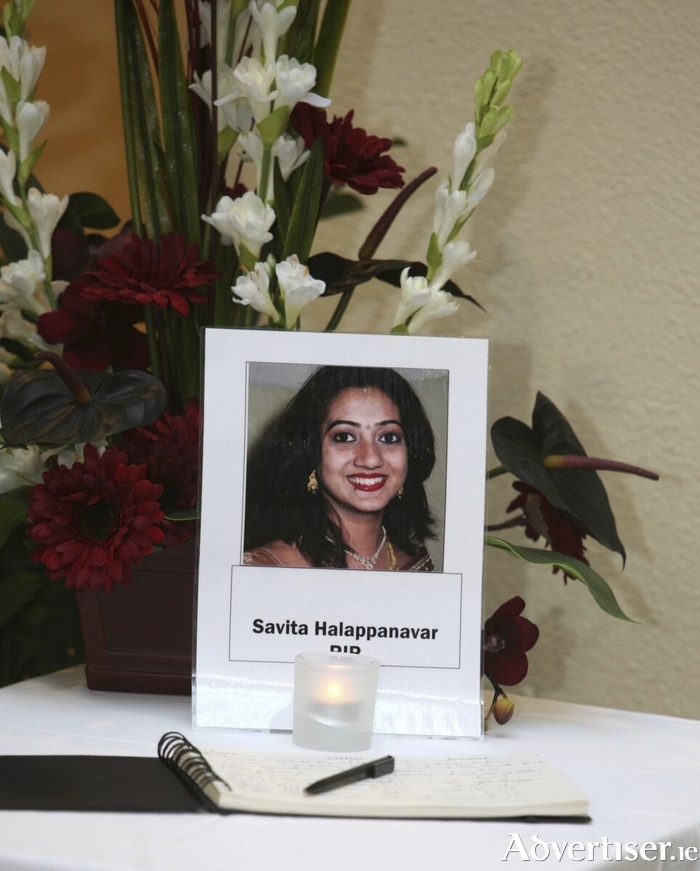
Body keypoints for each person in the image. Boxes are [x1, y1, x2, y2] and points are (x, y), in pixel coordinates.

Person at [243, 365, 437, 571]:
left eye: (388, 437)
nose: (370, 459)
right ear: (310, 451)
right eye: (344, 437)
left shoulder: (415, 562)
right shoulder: (267, 569)